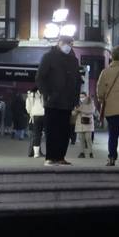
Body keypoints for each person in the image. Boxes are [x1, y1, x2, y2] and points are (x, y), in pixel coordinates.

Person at [36, 34, 84, 167]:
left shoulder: (73, 60)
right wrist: (47, 94)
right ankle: (50, 157)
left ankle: (61, 157)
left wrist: (75, 99)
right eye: (66, 43)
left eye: (71, 43)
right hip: (53, 101)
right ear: (59, 42)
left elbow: (77, 80)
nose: (68, 46)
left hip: (68, 102)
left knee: (65, 131)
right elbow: (40, 77)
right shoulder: (49, 57)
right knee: (52, 130)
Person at [73, 91, 95, 159]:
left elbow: (91, 110)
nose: (81, 98)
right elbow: (73, 113)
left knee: (88, 139)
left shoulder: (90, 102)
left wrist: (79, 109)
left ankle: (90, 152)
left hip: (88, 123)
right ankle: (82, 153)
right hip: (79, 124)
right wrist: (76, 111)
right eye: (80, 97)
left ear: (86, 96)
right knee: (81, 139)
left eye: (83, 96)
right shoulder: (77, 103)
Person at [26, 89, 46, 157]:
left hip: (35, 115)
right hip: (45, 114)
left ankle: (35, 153)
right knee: (47, 134)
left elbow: (28, 107)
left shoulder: (30, 94)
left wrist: (31, 113)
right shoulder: (46, 91)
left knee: (36, 134)